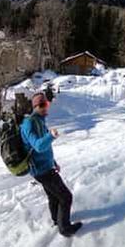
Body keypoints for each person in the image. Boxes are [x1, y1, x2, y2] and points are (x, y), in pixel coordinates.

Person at [20, 92, 82, 237]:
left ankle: (56, 220)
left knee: (53, 196)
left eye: (46, 104)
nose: (45, 107)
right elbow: (38, 146)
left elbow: (46, 148)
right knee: (66, 197)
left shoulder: (39, 121)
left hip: (46, 167)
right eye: (42, 105)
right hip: (40, 170)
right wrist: (51, 135)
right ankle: (65, 229)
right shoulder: (29, 124)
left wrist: (53, 162)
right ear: (35, 107)